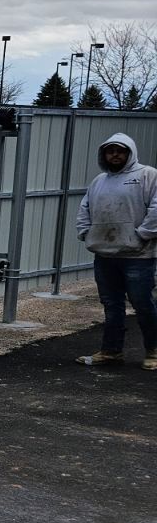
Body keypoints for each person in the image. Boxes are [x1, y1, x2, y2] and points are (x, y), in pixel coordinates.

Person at [76, 132, 157, 368]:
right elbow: (85, 207)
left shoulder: (147, 175)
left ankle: (153, 351)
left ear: (129, 153)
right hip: (105, 254)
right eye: (110, 151)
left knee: (142, 303)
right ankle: (111, 351)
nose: (115, 155)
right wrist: (86, 233)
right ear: (104, 154)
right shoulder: (99, 180)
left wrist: (142, 235)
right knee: (111, 304)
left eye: (120, 151)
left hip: (138, 256)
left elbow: (156, 208)